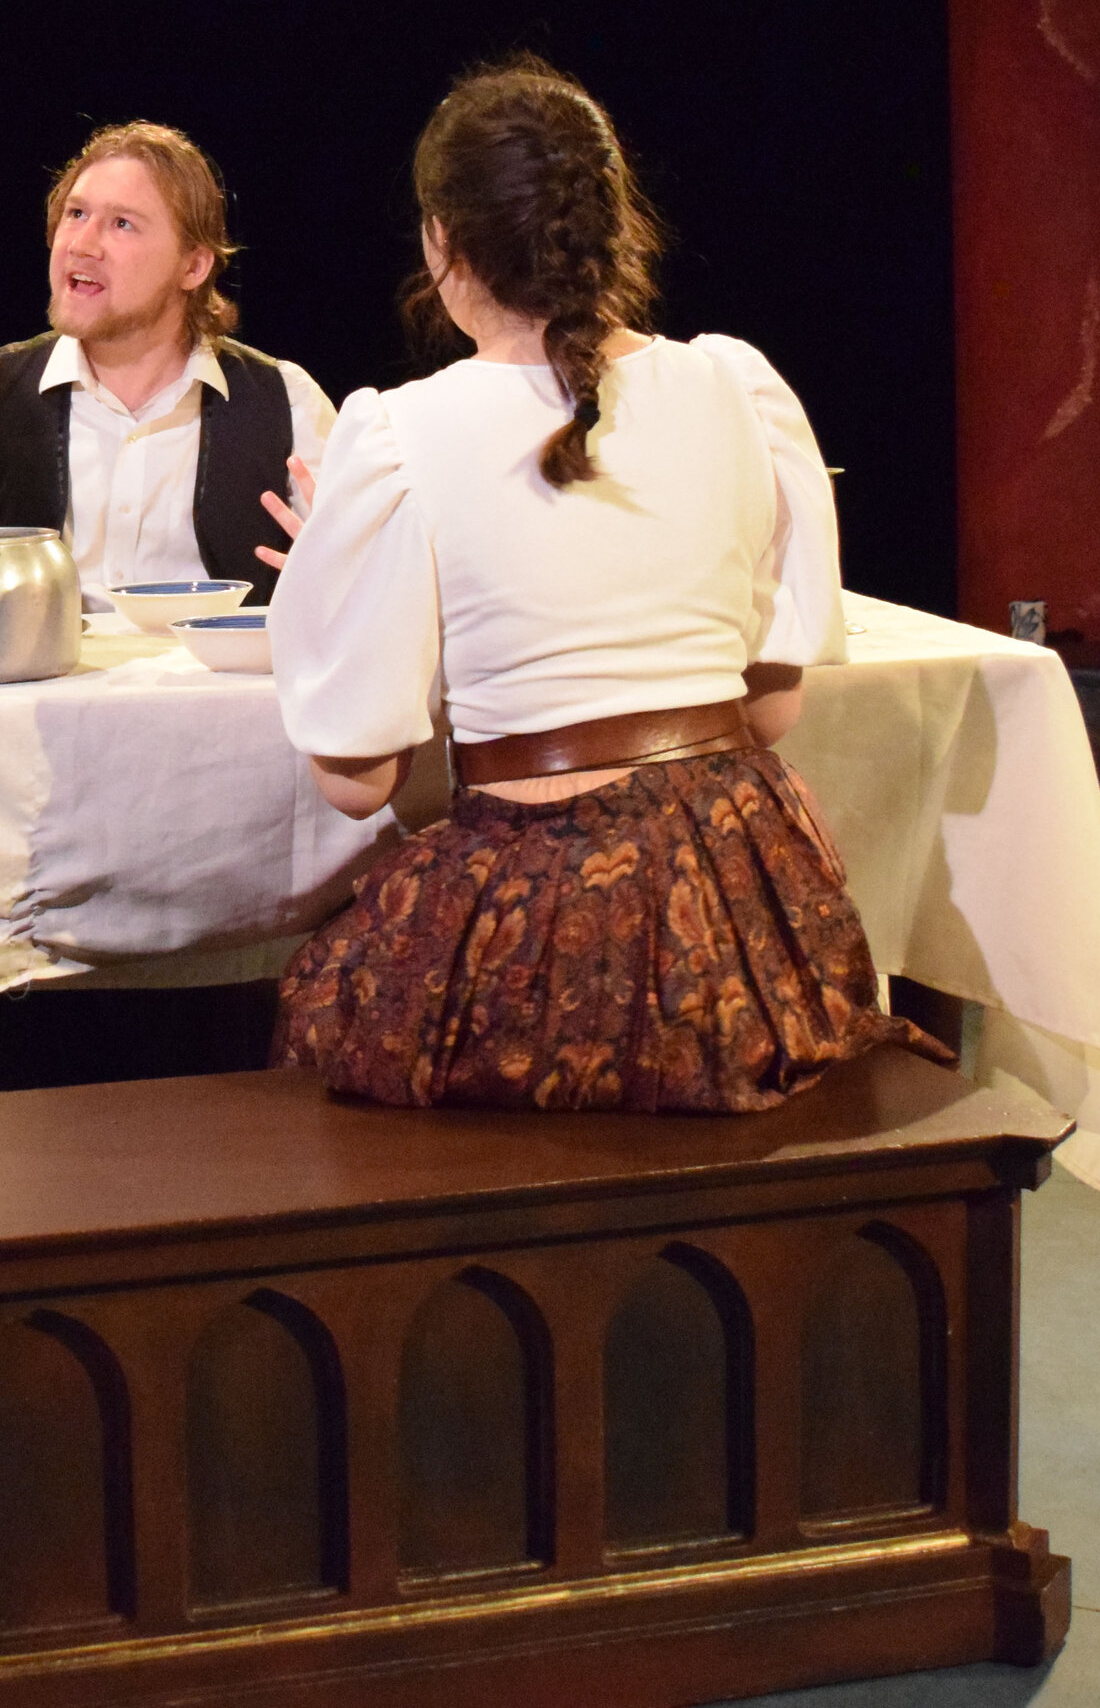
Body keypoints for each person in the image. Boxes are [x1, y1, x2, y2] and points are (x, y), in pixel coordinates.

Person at [265, 56, 939, 1111]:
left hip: (545, 932)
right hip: (740, 920)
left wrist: (338, 569)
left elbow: (357, 783)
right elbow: (771, 708)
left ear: (442, 241)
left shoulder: (398, 434)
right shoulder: (735, 385)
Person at [0, 122, 336, 624]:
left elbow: (362, 584)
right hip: (28, 698)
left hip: (223, 701)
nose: (82, 244)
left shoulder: (285, 400)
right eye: (76, 214)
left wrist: (341, 585)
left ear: (194, 267)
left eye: (122, 224)